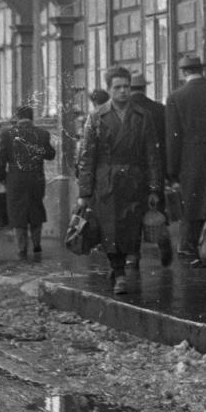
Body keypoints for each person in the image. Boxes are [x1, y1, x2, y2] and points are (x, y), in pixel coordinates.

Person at [76, 67, 164, 295]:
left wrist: (154, 187)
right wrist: (84, 193)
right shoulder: (96, 117)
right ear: (109, 89)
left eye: (126, 86)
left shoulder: (142, 116)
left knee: (132, 228)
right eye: (118, 87)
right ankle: (119, 273)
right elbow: (87, 156)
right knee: (110, 229)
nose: (123, 91)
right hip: (106, 181)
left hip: (135, 181)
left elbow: (152, 154)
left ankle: (121, 266)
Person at [165, 54, 206, 261]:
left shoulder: (176, 97)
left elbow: (173, 137)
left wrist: (172, 171)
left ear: (184, 72)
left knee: (191, 206)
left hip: (190, 159)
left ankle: (191, 248)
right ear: (202, 70)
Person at [0, 105, 56, 259]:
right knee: (35, 209)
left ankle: (22, 248)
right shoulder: (42, 134)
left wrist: (1, 177)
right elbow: (50, 155)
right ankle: (36, 245)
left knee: (17, 213)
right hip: (36, 177)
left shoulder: (7, 134)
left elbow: (0, 159)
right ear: (32, 117)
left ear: (17, 117)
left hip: (15, 178)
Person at [129, 74, 172, 266]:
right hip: (156, 170)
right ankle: (163, 244)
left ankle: (134, 256)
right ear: (145, 89)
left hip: (131, 172)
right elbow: (166, 142)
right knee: (157, 209)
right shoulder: (159, 109)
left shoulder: (125, 111)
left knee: (132, 214)